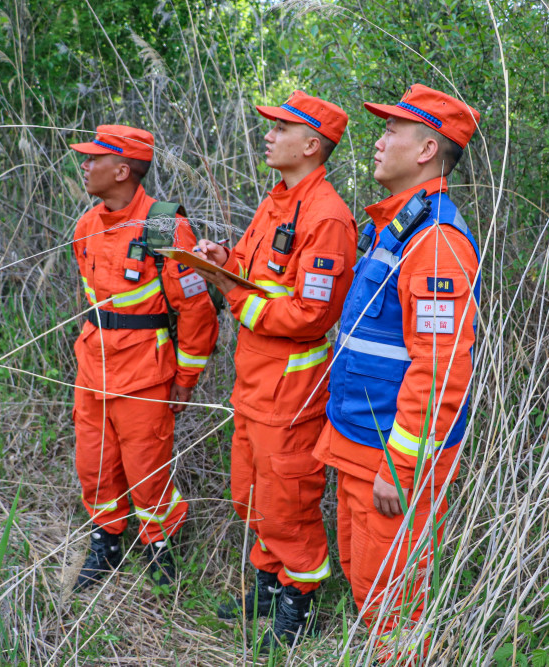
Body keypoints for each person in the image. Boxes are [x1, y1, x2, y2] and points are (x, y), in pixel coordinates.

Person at [313, 84, 481, 660]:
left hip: (391, 457)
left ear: (428, 148)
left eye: (391, 132)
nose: (378, 142)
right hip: (360, 441)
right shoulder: (394, 227)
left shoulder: (435, 243)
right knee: (368, 588)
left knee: (393, 608)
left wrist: (401, 465)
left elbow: (442, 366)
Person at [194, 91, 357, 649]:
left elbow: (312, 314)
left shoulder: (327, 217)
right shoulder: (279, 200)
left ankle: (299, 600)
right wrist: (222, 264)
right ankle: (268, 580)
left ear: (311, 144)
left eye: (281, 127)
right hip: (254, 381)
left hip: (292, 388)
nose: (268, 134)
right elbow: (250, 267)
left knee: (287, 498)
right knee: (251, 490)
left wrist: (236, 300)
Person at [69, 125, 218, 591]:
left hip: (145, 375)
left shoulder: (163, 226)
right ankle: (106, 543)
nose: (85, 167)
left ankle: (161, 546)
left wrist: (186, 377)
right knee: (93, 464)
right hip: (93, 369)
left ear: (123, 170)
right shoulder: (87, 225)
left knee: (147, 471)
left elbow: (196, 309)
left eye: (94, 160)